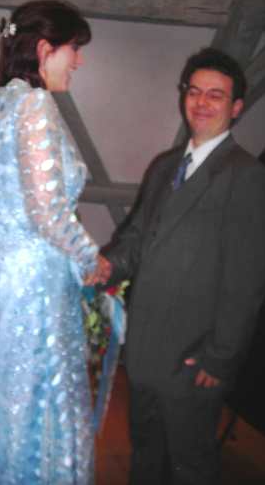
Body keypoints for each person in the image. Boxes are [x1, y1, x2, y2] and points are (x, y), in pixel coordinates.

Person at [0, 0, 111, 485]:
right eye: (74, 49)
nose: (79, 61)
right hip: (33, 284)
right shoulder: (34, 104)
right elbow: (47, 211)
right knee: (31, 397)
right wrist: (91, 258)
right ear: (44, 49)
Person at [106, 47, 265, 485]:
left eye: (215, 95)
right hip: (145, 347)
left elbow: (246, 280)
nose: (201, 102)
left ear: (236, 107)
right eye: (194, 91)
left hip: (195, 357)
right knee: (145, 452)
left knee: (189, 463)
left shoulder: (246, 175)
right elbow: (136, 238)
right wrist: (103, 267)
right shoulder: (165, 166)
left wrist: (220, 358)